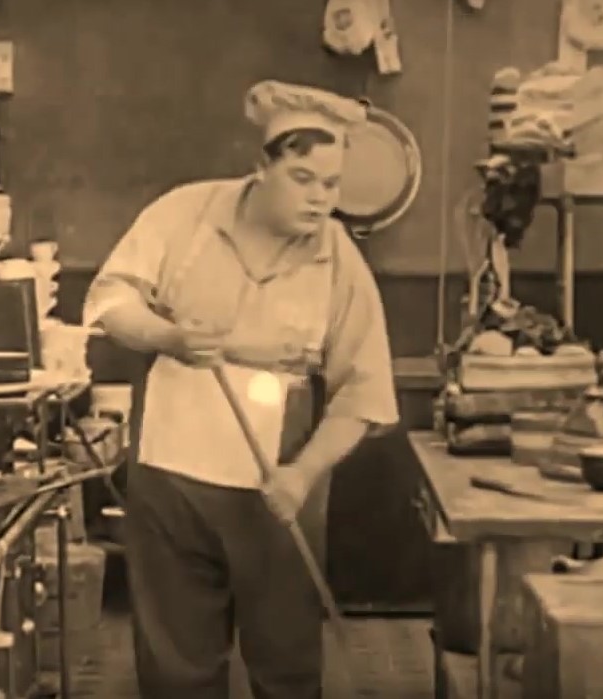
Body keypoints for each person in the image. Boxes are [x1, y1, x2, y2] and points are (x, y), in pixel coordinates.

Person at [83, 79, 398, 699]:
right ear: (262, 166)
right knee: (175, 658)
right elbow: (109, 299)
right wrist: (168, 336)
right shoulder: (184, 214)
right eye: (302, 178)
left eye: (332, 184)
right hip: (170, 474)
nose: (320, 199)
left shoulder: (338, 260)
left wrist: (304, 474)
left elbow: (363, 394)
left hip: (278, 482)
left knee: (286, 659)